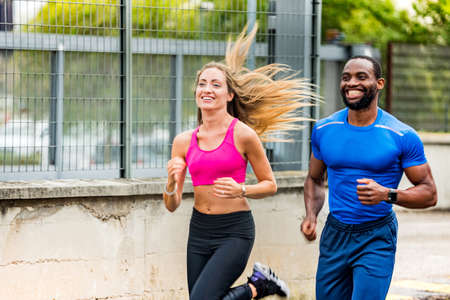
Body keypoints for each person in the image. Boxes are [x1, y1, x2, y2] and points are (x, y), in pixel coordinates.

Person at [163, 24, 316, 300]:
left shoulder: (243, 134)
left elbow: (270, 185)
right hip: (199, 231)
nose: (207, 89)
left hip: (234, 230)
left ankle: (258, 286)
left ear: (230, 95)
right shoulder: (183, 141)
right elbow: (172, 205)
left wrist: (241, 189)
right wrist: (172, 182)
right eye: (202, 83)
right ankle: (262, 284)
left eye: (215, 84)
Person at [300, 55, 438, 300]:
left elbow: (429, 193)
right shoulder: (324, 129)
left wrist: (388, 194)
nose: (351, 83)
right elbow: (314, 179)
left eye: (361, 77)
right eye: (346, 77)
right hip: (335, 233)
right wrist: (311, 215)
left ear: (380, 84)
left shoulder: (401, 134)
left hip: (376, 235)